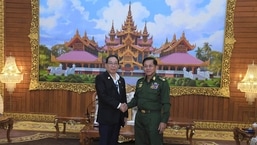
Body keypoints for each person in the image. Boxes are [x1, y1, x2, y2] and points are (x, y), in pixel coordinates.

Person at [127, 56, 171, 145]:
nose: (148, 68)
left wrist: (163, 121)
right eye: (145, 66)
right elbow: (136, 99)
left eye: (150, 66)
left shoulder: (162, 82)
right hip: (139, 117)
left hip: (154, 118)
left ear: (156, 67)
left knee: (155, 142)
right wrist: (126, 106)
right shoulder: (140, 82)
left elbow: (166, 104)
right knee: (139, 142)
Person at [95, 55, 128, 145]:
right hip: (106, 118)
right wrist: (119, 105)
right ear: (106, 65)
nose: (113, 66)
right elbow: (103, 96)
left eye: (115, 63)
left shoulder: (121, 80)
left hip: (117, 118)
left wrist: (125, 115)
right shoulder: (101, 78)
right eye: (110, 63)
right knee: (104, 142)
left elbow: (123, 98)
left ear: (118, 66)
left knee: (114, 142)